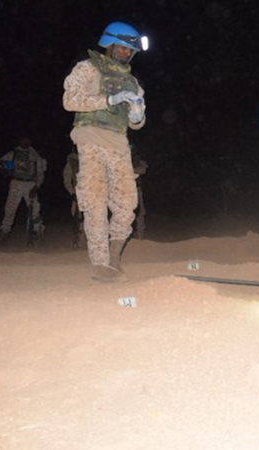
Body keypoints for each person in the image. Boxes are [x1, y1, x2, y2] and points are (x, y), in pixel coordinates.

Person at [62, 21, 148, 282]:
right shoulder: (88, 68)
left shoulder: (133, 83)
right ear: (108, 44)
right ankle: (99, 264)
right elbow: (69, 100)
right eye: (121, 48)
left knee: (126, 203)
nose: (125, 54)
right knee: (95, 201)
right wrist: (109, 100)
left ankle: (114, 257)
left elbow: (137, 123)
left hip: (119, 144)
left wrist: (137, 114)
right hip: (90, 139)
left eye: (129, 51)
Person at [0, 137, 46, 246]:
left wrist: (36, 186)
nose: (25, 142)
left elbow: (40, 173)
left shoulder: (35, 155)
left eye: (27, 140)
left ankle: (37, 231)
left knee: (35, 209)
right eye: (23, 140)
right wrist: (4, 169)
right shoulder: (13, 154)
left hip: (30, 183)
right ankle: (5, 232)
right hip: (16, 183)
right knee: (10, 209)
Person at [62, 149, 86, 248]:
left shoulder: (90, 157)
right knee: (78, 217)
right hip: (78, 192)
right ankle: (80, 239)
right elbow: (67, 179)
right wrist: (72, 192)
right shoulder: (71, 162)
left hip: (92, 191)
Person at [130, 143, 148, 239]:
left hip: (136, 188)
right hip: (123, 190)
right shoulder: (119, 159)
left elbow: (143, 169)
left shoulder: (137, 160)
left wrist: (128, 170)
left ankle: (140, 237)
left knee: (140, 212)